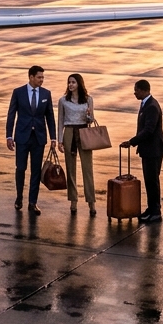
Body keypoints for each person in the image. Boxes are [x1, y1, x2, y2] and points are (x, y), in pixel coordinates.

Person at [6, 64, 57, 215]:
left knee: (36, 171)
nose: (42, 80)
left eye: (43, 77)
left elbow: (50, 117)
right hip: (22, 137)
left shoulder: (46, 94)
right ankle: (19, 197)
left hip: (38, 138)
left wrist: (53, 137)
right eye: (39, 77)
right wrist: (9, 135)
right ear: (31, 77)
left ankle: (32, 202)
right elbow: (11, 114)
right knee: (20, 168)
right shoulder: (18, 92)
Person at [121, 80, 163, 223]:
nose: (134, 93)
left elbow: (148, 130)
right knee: (149, 181)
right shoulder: (146, 104)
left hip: (153, 150)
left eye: (136, 90)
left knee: (152, 181)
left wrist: (132, 142)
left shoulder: (151, 107)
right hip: (149, 150)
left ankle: (155, 212)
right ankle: (151, 209)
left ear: (144, 90)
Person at [58, 73, 97, 217]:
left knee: (88, 168)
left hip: (84, 132)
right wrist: (59, 140)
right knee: (70, 168)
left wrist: (88, 115)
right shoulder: (63, 100)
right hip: (69, 131)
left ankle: (91, 201)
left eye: (73, 82)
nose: (71, 85)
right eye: (69, 82)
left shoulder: (88, 99)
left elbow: (91, 120)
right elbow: (60, 121)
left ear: (79, 84)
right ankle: (73, 200)